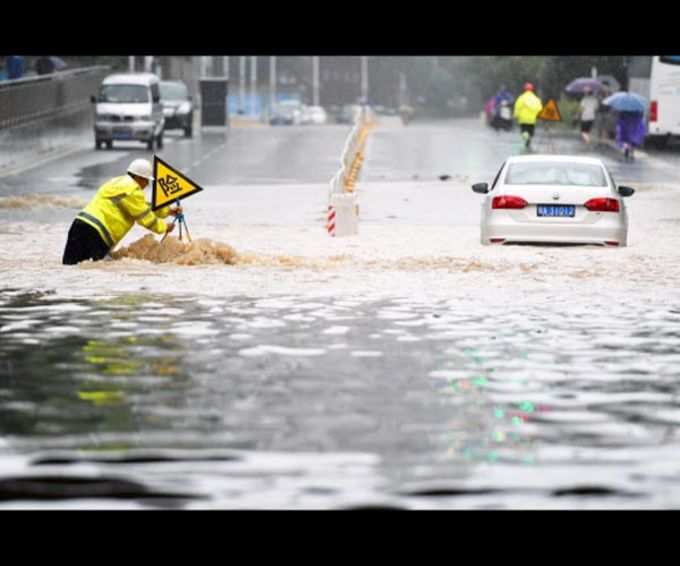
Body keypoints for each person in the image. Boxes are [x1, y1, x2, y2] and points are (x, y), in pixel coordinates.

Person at [62, 159, 181, 265]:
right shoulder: (133, 189)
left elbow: (140, 207)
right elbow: (145, 217)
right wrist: (164, 227)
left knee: (70, 266)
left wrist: (168, 211)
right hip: (98, 234)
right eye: (146, 181)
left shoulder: (116, 182)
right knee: (96, 271)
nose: (147, 184)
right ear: (139, 178)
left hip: (79, 225)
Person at [513, 82, 543, 149]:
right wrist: (538, 116)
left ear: (524, 89)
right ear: (532, 89)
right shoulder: (536, 99)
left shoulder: (521, 98)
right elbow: (540, 109)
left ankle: (526, 139)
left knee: (524, 132)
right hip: (532, 120)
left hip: (523, 119)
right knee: (530, 132)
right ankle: (528, 140)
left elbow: (517, 107)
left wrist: (515, 115)